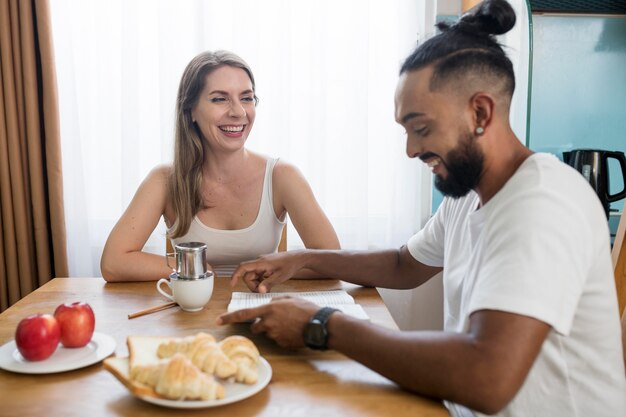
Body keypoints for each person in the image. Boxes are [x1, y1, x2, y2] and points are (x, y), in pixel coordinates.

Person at [217, 1, 626, 416]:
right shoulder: (468, 195)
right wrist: (301, 259)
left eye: (421, 128)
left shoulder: (543, 202)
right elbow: (402, 265)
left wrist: (321, 324)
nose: (411, 149)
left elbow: (486, 377)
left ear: (480, 112)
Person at [101, 50, 340, 281]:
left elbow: (333, 261)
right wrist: (193, 267)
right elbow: (114, 263)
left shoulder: (282, 176)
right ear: (191, 110)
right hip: (189, 316)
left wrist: (272, 269)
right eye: (219, 99)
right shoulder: (165, 180)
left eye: (246, 98)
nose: (238, 112)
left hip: (260, 314)